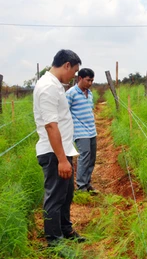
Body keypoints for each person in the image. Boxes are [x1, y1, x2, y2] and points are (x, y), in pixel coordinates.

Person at [33, 49, 86, 246]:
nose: (75, 75)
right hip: (54, 153)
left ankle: (65, 229)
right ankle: (54, 242)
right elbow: (50, 125)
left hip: (63, 150)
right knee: (55, 197)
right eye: (75, 71)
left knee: (65, 195)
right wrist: (62, 160)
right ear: (66, 65)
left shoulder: (56, 86)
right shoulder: (47, 87)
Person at [66, 68, 97, 193]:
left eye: (92, 81)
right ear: (80, 78)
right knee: (84, 156)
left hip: (92, 130)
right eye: (88, 80)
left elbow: (90, 110)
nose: (90, 83)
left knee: (92, 158)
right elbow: (64, 112)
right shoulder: (71, 93)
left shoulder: (90, 94)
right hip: (79, 131)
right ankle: (81, 186)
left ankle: (87, 182)